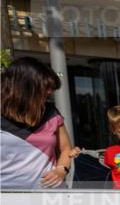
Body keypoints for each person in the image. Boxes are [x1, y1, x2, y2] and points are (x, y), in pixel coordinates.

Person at [0, 57, 79, 189]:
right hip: (6, 197)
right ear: (23, 87)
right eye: (45, 87)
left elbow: (66, 149)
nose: (49, 92)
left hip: (50, 196)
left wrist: (62, 170)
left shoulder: (51, 114)